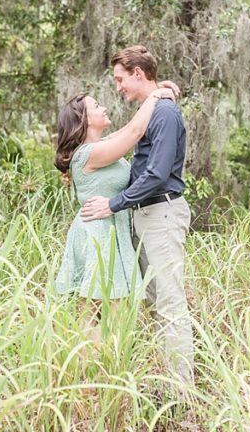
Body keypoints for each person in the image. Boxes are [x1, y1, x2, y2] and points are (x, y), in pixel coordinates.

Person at [80, 46, 193, 387]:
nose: (118, 87)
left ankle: (181, 390)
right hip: (147, 215)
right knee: (156, 302)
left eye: (120, 79)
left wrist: (114, 204)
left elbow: (157, 173)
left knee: (170, 304)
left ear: (138, 74)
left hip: (162, 212)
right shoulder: (153, 110)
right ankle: (166, 382)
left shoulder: (165, 115)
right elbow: (127, 137)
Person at [54, 88, 177, 313]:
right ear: (85, 119)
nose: (103, 107)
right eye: (96, 106)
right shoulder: (87, 154)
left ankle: (113, 349)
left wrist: (154, 91)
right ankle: (91, 350)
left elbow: (130, 128)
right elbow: (136, 132)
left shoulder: (101, 146)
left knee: (117, 308)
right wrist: (155, 96)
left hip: (113, 229)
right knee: (93, 307)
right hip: (97, 233)